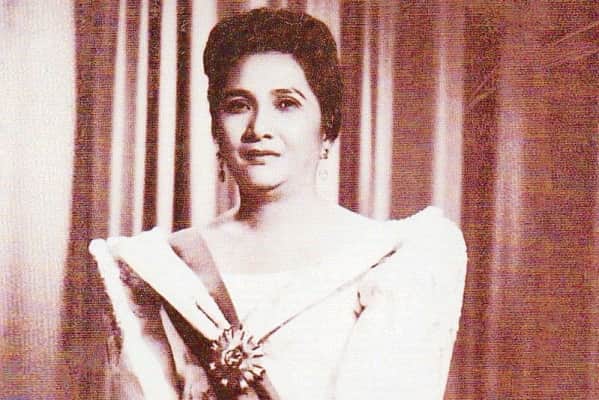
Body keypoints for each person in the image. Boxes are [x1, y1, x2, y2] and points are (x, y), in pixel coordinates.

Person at [89, 7, 467, 400]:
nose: (259, 128)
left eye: (286, 104)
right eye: (238, 105)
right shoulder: (162, 266)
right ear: (216, 130)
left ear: (327, 127)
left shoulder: (390, 258)